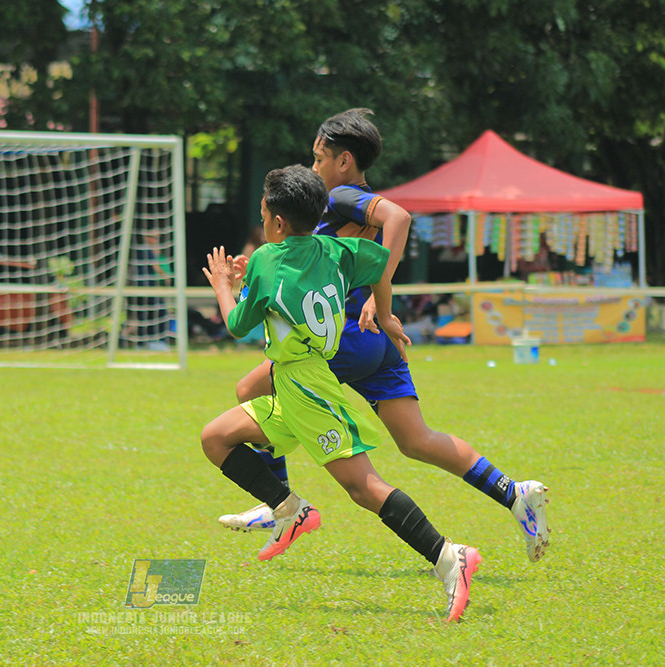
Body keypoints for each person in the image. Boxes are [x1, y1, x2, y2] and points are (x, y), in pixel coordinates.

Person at [220, 109, 551, 563]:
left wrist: (379, 296)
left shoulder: (339, 198)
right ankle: (513, 492)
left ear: (343, 161)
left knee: (249, 389)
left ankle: (280, 505)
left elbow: (399, 216)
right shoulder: (344, 201)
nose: (313, 168)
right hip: (377, 339)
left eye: (319, 159)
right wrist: (386, 305)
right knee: (417, 440)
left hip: (347, 336)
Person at [201, 165, 480, 622]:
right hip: (297, 382)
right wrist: (385, 313)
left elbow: (236, 325)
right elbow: (380, 267)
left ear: (276, 221)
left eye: (263, 212)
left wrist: (224, 287)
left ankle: (450, 557)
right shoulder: (337, 249)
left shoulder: (270, 260)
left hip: (307, 388)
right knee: (216, 437)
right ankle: (290, 509)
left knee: (364, 487)